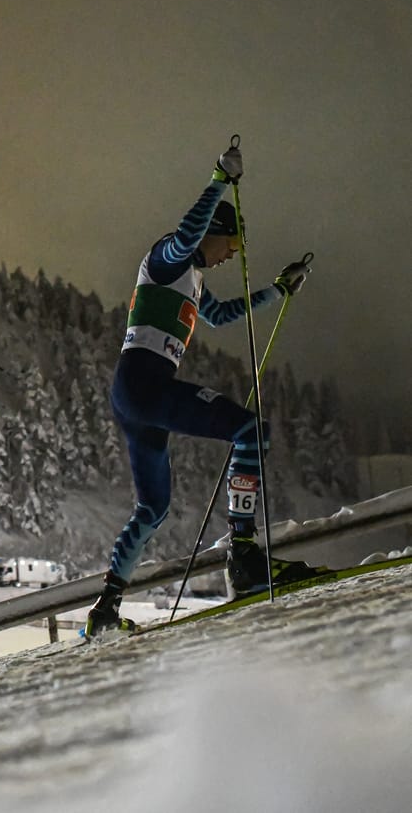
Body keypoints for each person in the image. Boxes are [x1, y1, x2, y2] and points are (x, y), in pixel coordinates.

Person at [84, 143, 315, 638]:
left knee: (153, 507)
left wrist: (279, 289)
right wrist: (218, 180)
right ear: (214, 233)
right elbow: (188, 232)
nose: (232, 255)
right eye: (230, 245)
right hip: (143, 385)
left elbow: (223, 314)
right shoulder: (168, 257)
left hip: (137, 392)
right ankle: (245, 557)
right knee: (250, 433)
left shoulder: (190, 279)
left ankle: (105, 608)